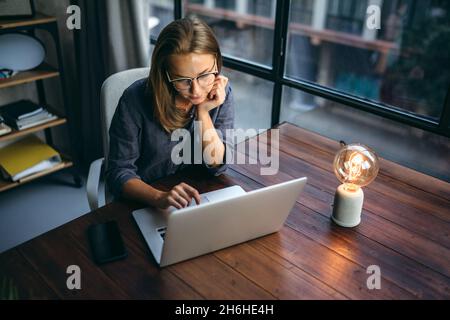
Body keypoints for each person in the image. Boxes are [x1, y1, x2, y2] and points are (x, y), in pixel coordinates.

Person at [106, 17, 234, 210]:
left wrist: (202, 111)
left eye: (205, 75)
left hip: (200, 199)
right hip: (147, 200)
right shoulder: (134, 99)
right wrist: (159, 197)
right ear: (165, 74)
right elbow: (118, 172)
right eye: (183, 80)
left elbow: (217, 165)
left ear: (217, 62)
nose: (197, 91)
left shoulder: (220, 92)